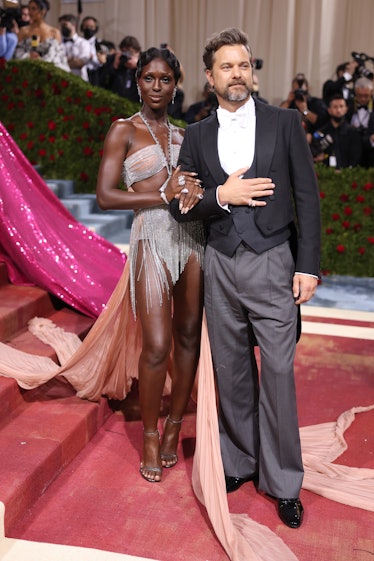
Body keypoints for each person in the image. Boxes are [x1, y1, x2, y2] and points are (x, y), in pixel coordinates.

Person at [170, 27, 321, 529]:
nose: (238, 74)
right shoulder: (195, 135)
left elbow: (307, 197)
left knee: (277, 373)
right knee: (231, 371)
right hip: (220, 262)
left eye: (244, 65)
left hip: (274, 260)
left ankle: (283, 483)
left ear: (252, 71)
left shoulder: (284, 122)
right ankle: (238, 463)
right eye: (227, 67)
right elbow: (180, 204)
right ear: (210, 77)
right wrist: (222, 197)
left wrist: (308, 265)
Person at [96, 47, 205, 482]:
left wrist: (195, 191)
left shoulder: (187, 135)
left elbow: (195, 189)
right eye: (149, 78)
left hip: (194, 239)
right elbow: (106, 196)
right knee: (157, 344)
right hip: (151, 239)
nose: (157, 87)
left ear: (176, 85)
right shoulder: (123, 129)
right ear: (137, 80)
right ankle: (149, 433)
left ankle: (175, 426)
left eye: (166, 79)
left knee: (188, 337)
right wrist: (162, 195)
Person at [14, 0, 70, 72]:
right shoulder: (24, 31)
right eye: (29, 8)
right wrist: (28, 56)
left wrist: (42, 60)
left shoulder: (54, 32)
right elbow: (17, 52)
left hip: (49, 72)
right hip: (28, 70)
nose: (30, 12)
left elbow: (57, 55)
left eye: (33, 9)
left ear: (43, 11)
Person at [311, 93, 363, 168]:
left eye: (341, 106)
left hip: (347, 175)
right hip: (325, 175)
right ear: (329, 110)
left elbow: (356, 158)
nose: (338, 110)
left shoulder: (353, 133)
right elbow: (314, 154)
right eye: (335, 107)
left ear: (346, 109)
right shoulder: (321, 132)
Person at [94, 35, 141, 103]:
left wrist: (138, 65)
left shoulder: (144, 63)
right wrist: (114, 66)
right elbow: (102, 82)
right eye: (125, 52)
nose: (127, 56)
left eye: (130, 53)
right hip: (115, 101)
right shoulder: (113, 60)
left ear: (137, 52)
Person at [58, 13, 91, 80]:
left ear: (73, 25)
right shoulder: (57, 42)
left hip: (79, 79)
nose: (62, 28)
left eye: (65, 25)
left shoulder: (84, 43)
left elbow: (80, 63)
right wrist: (71, 59)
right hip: (61, 79)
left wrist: (61, 62)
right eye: (61, 25)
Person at [79, 15, 100, 82]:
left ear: (96, 28)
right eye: (86, 26)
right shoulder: (78, 43)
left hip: (95, 76)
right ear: (82, 28)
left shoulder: (100, 44)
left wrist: (92, 57)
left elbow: (102, 62)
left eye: (91, 27)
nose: (88, 29)